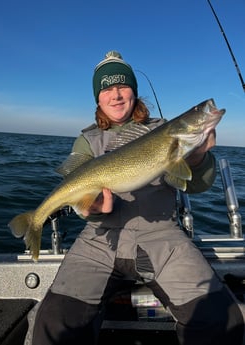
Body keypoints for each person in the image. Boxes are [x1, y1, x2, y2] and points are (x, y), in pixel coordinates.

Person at [25, 51, 244, 345]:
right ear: (98, 99)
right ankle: (32, 224)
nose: (115, 95)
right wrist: (92, 208)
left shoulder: (161, 130)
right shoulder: (86, 140)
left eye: (122, 87)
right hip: (99, 241)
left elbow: (195, 187)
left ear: (134, 92)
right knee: (54, 323)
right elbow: (80, 195)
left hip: (162, 238)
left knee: (220, 319)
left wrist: (199, 155)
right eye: (106, 89)